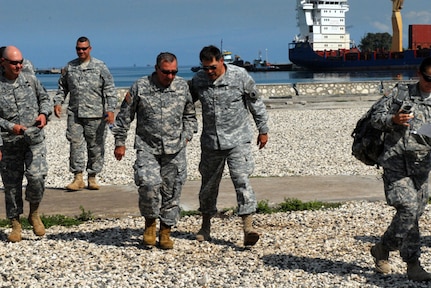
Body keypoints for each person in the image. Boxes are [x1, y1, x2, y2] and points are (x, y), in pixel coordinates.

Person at [112, 52, 197, 249]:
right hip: (147, 147)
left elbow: (190, 115)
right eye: (166, 72)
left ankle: (166, 231)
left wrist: (187, 135)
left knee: (172, 190)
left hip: (175, 149)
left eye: (174, 72)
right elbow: (125, 116)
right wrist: (120, 142)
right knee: (149, 186)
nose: (170, 76)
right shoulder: (141, 86)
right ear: (157, 69)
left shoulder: (182, 86)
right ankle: (150, 223)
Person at [189, 45, 269, 246]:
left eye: (213, 67)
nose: (209, 72)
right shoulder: (199, 80)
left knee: (242, 181)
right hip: (211, 142)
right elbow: (185, 103)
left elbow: (255, 103)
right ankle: (205, 226)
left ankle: (248, 227)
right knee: (208, 186)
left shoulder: (239, 76)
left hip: (237, 140)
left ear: (221, 61)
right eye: (205, 68)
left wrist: (263, 129)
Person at [370, 56, 431, 282]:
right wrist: (392, 120)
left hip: (422, 167)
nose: (430, 83)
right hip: (395, 163)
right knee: (407, 208)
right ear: (419, 73)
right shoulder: (400, 93)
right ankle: (411, 262)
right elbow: (374, 118)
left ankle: (385, 250)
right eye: (428, 78)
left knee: (414, 215)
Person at [0, 46, 52, 242]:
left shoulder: (30, 79)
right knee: (12, 186)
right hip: (9, 143)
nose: (18, 65)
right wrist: (10, 126)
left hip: (34, 140)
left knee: (37, 177)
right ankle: (15, 223)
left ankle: (34, 213)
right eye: (14, 62)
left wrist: (43, 115)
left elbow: (45, 99)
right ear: (2, 62)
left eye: (20, 61)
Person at [53, 36, 117, 191]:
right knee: (75, 145)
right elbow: (63, 87)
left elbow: (109, 89)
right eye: (78, 49)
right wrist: (58, 103)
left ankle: (93, 177)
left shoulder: (100, 66)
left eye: (84, 48)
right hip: (75, 114)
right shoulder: (70, 67)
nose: (81, 51)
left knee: (95, 146)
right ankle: (78, 178)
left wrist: (111, 109)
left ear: (90, 49)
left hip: (96, 114)